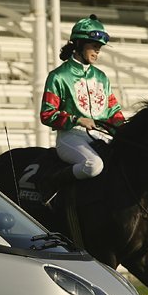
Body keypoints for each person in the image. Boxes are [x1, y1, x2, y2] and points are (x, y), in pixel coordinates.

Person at [39, 14, 125, 206]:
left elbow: (114, 112)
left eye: (99, 48)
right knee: (94, 166)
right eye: (94, 46)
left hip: (101, 136)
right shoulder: (58, 76)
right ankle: (52, 182)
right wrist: (77, 119)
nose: (97, 52)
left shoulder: (101, 77)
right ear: (79, 44)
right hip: (71, 137)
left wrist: (126, 129)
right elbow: (47, 114)